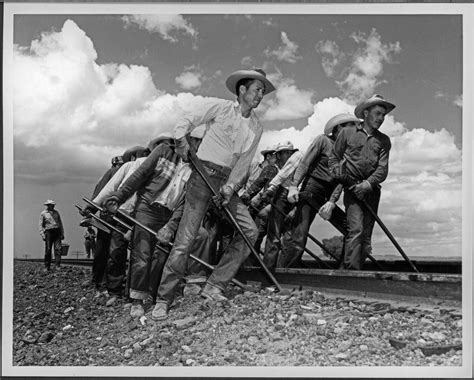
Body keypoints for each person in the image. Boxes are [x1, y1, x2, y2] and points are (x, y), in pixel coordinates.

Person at [151, 68, 276, 321]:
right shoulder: (219, 108)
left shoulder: (256, 127)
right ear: (242, 90)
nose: (260, 95)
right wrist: (181, 140)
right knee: (185, 240)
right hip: (201, 175)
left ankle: (214, 285)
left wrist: (230, 188)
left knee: (250, 231)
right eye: (256, 90)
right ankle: (164, 299)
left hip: (225, 182)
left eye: (263, 91)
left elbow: (243, 163)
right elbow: (186, 119)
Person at [105, 126, 208, 318]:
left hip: (171, 213)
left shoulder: (198, 167)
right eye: (193, 140)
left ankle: (187, 285)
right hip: (148, 207)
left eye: (200, 142)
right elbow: (139, 176)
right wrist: (119, 196)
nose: (195, 145)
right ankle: (137, 300)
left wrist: (170, 226)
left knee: (199, 236)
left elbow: (187, 201)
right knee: (142, 256)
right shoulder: (163, 152)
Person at [279, 114, 360, 268]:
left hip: (328, 195)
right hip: (311, 189)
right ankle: (285, 272)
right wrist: (294, 185)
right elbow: (305, 163)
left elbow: (342, 180)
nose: (353, 130)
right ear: (339, 128)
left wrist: (331, 202)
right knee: (299, 236)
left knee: (350, 229)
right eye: (350, 126)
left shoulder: (348, 153)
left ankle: (343, 272)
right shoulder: (323, 140)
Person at [328, 94, 394, 270]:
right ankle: (350, 274)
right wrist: (338, 172)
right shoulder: (347, 133)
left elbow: (382, 169)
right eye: (378, 113)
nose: (381, 119)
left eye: (383, 115)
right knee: (355, 230)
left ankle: (355, 271)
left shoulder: (384, 140)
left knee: (365, 237)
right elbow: (334, 158)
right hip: (351, 188)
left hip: (371, 190)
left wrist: (367, 184)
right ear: (366, 112)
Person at [82, 147, 148, 290]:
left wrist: (93, 206)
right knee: (132, 250)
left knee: (108, 249)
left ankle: (103, 282)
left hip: (112, 213)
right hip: (134, 213)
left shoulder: (116, 170)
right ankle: (131, 285)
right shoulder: (136, 167)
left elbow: (105, 190)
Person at [256, 141, 302, 271]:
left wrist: (270, 189)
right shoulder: (277, 167)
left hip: (290, 196)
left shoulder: (295, 159)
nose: (278, 157)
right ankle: (270, 269)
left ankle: (279, 270)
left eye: (280, 154)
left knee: (283, 236)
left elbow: (285, 178)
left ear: (287, 153)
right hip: (285, 196)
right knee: (276, 236)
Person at [239, 145, 278, 254]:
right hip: (249, 204)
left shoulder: (273, 169)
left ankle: (250, 260)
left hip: (258, 206)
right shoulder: (254, 166)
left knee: (254, 235)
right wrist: (245, 196)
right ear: (269, 156)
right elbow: (243, 184)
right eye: (276, 156)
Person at [39, 199, 64, 271]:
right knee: (48, 249)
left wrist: (62, 233)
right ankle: (47, 266)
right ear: (48, 206)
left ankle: (57, 265)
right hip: (48, 232)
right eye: (51, 205)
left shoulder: (56, 213)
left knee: (58, 249)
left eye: (53, 205)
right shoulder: (43, 213)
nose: (52, 206)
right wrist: (42, 234)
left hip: (57, 231)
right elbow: (40, 224)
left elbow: (60, 223)